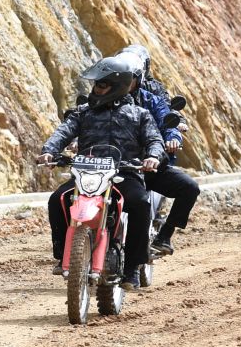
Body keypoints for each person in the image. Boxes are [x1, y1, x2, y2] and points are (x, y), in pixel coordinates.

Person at [39, 54, 165, 289]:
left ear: (116, 86)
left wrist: (152, 157)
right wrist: (49, 151)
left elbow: (154, 140)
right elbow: (63, 132)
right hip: (87, 174)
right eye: (95, 84)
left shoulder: (139, 114)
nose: (95, 89)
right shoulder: (83, 112)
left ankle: (132, 268)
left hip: (124, 174)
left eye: (101, 85)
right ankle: (62, 254)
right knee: (58, 199)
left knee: (140, 204)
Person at [127, 57, 199, 254]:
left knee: (190, 187)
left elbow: (167, 114)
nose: (124, 81)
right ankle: (69, 251)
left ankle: (165, 234)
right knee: (61, 199)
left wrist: (174, 134)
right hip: (117, 166)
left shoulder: (153, 96)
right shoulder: (103, 100)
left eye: (130, 77)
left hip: (152, 162)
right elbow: (78, 123)